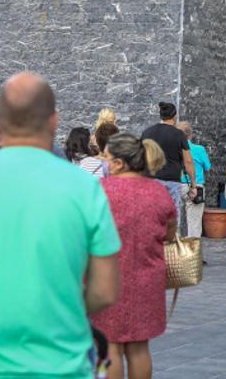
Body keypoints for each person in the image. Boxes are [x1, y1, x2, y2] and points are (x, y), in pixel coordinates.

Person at [0, 72, 121, 377]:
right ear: (54, 122)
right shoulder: (84, 187)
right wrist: (62, 313)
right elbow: (105, 290)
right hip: (61, 363)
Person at [91, 133, 176, 379]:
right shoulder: (159, 192)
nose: (104, 163)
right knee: (139, 347)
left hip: (105, 278)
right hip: (147, 279)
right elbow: (169, 233)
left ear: (119, 162)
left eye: (106, 158)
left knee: (110, 346)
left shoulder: (100, 190)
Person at [141, 102, 197, 220]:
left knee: (152, 216)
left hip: (151, 180)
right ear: (175, 116)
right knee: (171, 218)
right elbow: (188, 162)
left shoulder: (147, 132)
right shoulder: (178, 134)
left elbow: (141, 157)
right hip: (172, 180)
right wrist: (193, 185)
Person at [177, 122, 211, 239]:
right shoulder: (199, 149)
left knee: (174, 221)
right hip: (195, 186)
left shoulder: (174, 149)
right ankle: (193, 254)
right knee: (194, 223)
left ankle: (175, 252)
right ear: (190, 135)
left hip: (176, 185)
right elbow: (207, 167)